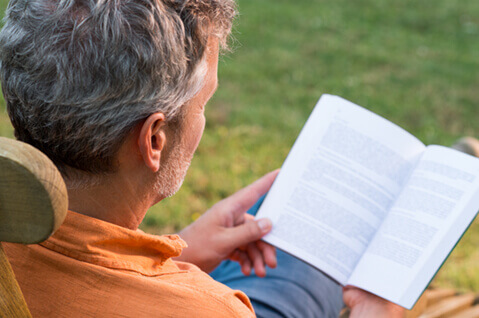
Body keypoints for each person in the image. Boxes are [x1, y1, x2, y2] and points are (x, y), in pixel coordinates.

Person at [0, 0, 405, 317]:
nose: (204, 119)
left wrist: (184, 248)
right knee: (298, 254)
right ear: (154, 139)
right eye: (204, 103)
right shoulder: (209, 310)